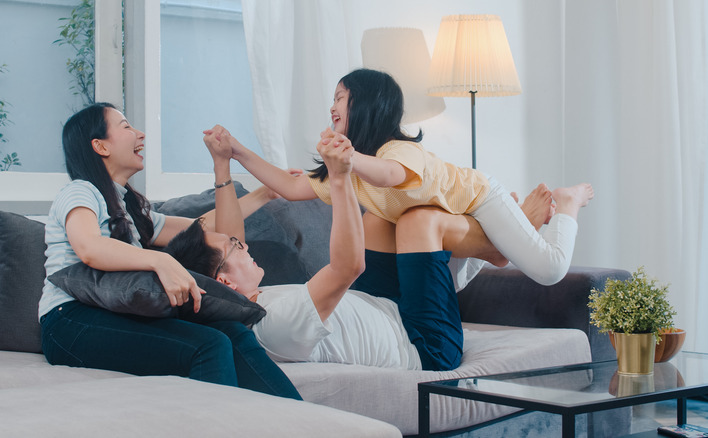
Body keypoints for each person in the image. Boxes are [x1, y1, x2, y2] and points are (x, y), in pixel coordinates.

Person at [212, 68, 594, 288]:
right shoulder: (351, 170)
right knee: (450, 287)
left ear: (367, 105)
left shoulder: (397, 150)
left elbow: (391, 176)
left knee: (549, 270)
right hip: (441, 223)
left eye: (340, 97)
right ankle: (504, 238)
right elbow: (293, 187)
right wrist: (238, 151)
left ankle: (568, 202)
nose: (331, 106)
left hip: (479, 200)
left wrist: (348, 158)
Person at [164, 125, 490, 370]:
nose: (242, 243)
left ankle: (479, 244)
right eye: (236, 248)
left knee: (379, 219)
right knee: (422, 222)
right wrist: (339, 176)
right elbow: (348, 267)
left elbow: (227, 238)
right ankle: (495, 246)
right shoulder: (274, 323)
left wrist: (223, 162)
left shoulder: (242, 302)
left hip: (386, 304)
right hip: (424, 345)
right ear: (225, 282)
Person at [38, 102, 301, 400]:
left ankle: (303, 424)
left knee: (233, 332)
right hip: (69, 322)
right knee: (208, 345)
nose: (141, 134)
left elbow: (209, 229)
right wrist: (159, 260)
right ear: (100, 146)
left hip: (114, 314)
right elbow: (89, 247)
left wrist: (264, 193)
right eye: (126, 127)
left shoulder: (131, 209)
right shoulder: (80, 191)